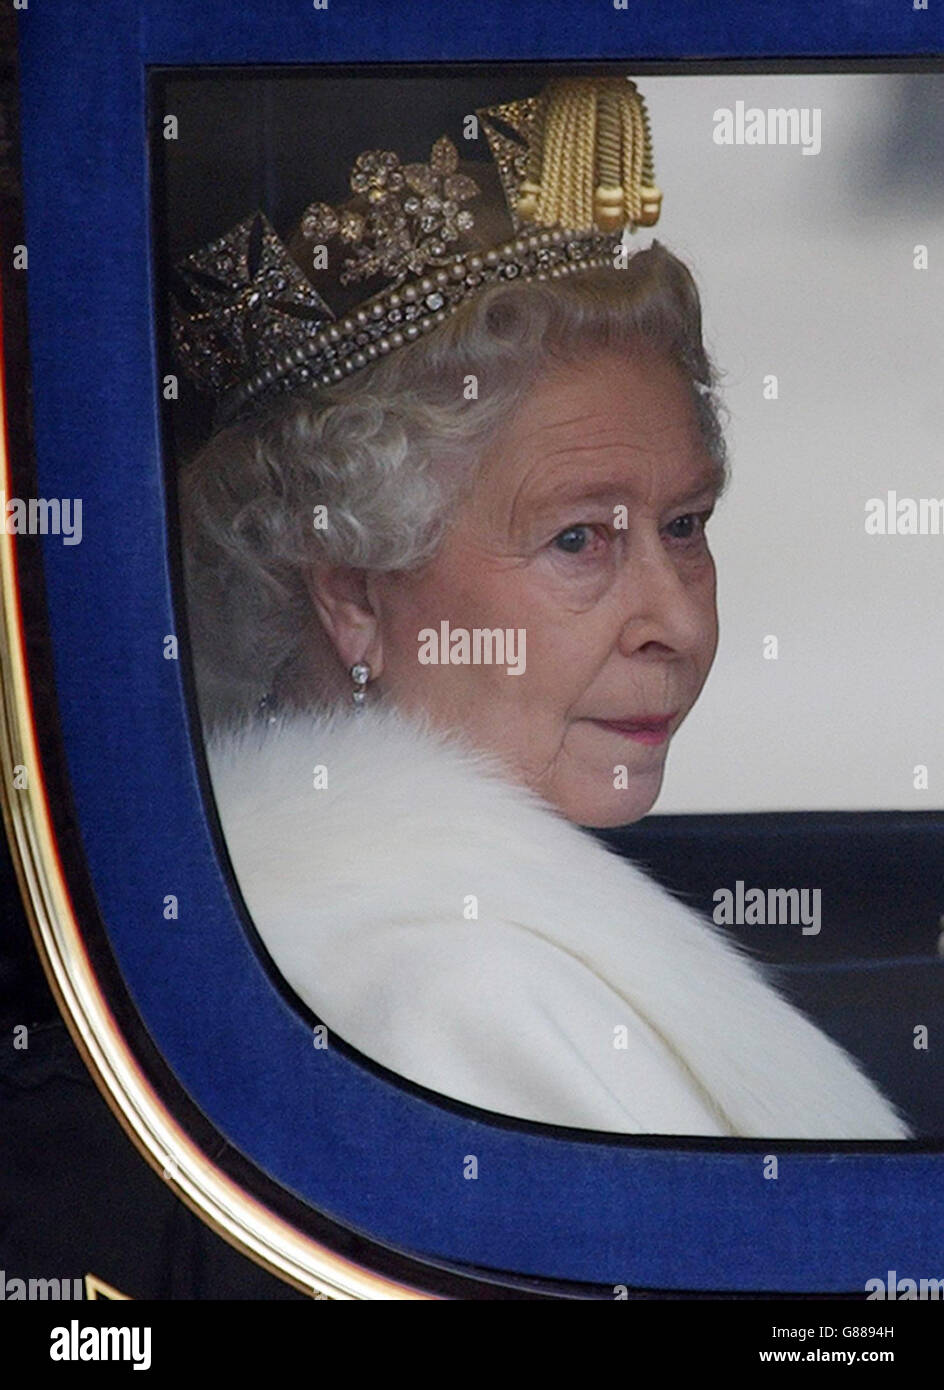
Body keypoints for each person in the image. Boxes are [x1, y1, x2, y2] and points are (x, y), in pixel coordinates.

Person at [175, 77, 910, 1138]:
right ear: (352, 594)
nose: (678, 622)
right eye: (577, 539)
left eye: (684, 525)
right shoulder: (446, 997)